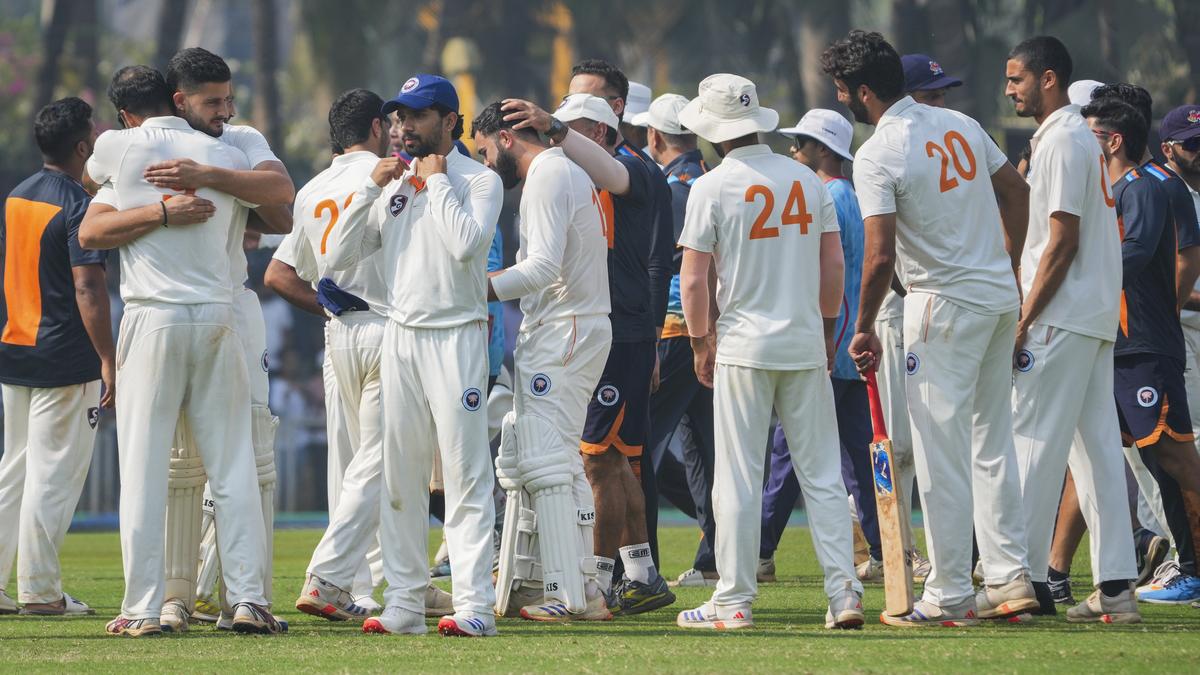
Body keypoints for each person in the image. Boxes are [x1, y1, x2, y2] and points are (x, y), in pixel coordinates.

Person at [823, 30, 1036, 626]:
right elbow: (1017, 193)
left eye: (842, 90)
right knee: (991, 443)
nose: (842, 98)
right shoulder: (961, 124)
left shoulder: (876, 152)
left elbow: (880, 255)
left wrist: (861, 327)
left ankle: (947, 593)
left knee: (943, 454)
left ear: (861, 92)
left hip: (941, 305)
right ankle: (1009, 576)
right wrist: (1009, 263)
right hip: (996, 298)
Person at [80, 65, 279, 636]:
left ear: (126, 113)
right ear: (181, 98)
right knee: (233, 464)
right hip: (219, 316)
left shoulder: (119, 146)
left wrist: (142, 204)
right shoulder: (231, 156)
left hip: (153, 316)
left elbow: (92, 208)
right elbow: (277, 200)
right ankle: (246, 600)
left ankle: (144, 608)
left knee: (143, 467)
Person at [673, 73, 863, 631]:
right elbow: (834, 268)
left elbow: (693, 280)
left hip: (741, 344)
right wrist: (828, 334)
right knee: (824, 474)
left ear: (713, 132)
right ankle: (844, 594)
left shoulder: (710, 186)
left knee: (736, 476)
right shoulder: (808, 180)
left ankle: (733, 601)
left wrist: (699, 340)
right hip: (804, 343)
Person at [146, 47, 295, 631]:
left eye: (229, 98)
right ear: (178, 100)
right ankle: (176, 595)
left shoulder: (241, 137)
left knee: (250, 454)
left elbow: (283, 202)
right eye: (214, 102)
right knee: (179, 463)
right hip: (164, 308)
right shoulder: (145, 146)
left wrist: (217, 188)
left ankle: (245, 596)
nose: (226, 111)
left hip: (230, 305)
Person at [1003, 35, 1140, 622]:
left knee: (1032, 442)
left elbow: (1062, 239)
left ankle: (1025, 583)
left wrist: (1025, 316)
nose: (1009, 89)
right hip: (1091, 315)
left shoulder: (1061, 139)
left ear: (1048, 78)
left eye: (1017, 79)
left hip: (1058, 315)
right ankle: (1116, 587)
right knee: (1098, 456)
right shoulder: (1078, 139)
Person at [473, 100, 613, 622]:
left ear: (506, 139)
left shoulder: (549, 173)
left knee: (550, 461)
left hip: (565, 325)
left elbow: (541, 267)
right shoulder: (560, 169)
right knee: (556, 459)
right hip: (566, 324)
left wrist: (473, 291)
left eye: (486, 151)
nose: (487, 165)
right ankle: (580, 588)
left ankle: (570, 594)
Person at [760, 108, 886, 583]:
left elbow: (819, 270)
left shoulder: (824, 197)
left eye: (801, 143)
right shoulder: (849, 195)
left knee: (788, 451)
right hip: (849, 346)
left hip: (826, 342)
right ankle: (881, 548)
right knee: (856, 455)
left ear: (821, 150)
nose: (793, 150)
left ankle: (758, 551)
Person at [1084, 97, 1200, 605]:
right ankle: (1189, 568)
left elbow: (1133, 253)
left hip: (1146, 346)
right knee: (1155, 461)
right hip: (1122, 346)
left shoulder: (1144, 187)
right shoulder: (1111, 191)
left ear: (1112, 141)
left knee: (1176, 456)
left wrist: (1077, 276)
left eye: (1089, 136)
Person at [0, 98, 110, 617]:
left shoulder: (17, 196)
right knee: (55, 475)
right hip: (64, 354)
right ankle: (41, 592)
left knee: (14, 472)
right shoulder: (79, 204)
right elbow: (88, 287)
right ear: (83, 146)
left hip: (16, 348)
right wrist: (108, 359)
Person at [567, 59, 675, 575]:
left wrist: (653, 338)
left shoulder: (633, 168)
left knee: (600, 459)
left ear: (605, 122)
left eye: (573, 121)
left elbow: (660, 263)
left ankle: (599, 578)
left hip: (624, 330)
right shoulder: (587, 172)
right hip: (617, 330)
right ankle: (641, 571)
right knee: (615, 457)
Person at [639, 93, 719, 588]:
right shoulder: (709, 177)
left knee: (641, 445)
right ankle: (718, 556)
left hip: (672, 331)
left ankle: (640, 565)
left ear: (653, 137)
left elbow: (668, 266)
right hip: (712, 329)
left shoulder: (671, 187)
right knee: (706, 450)